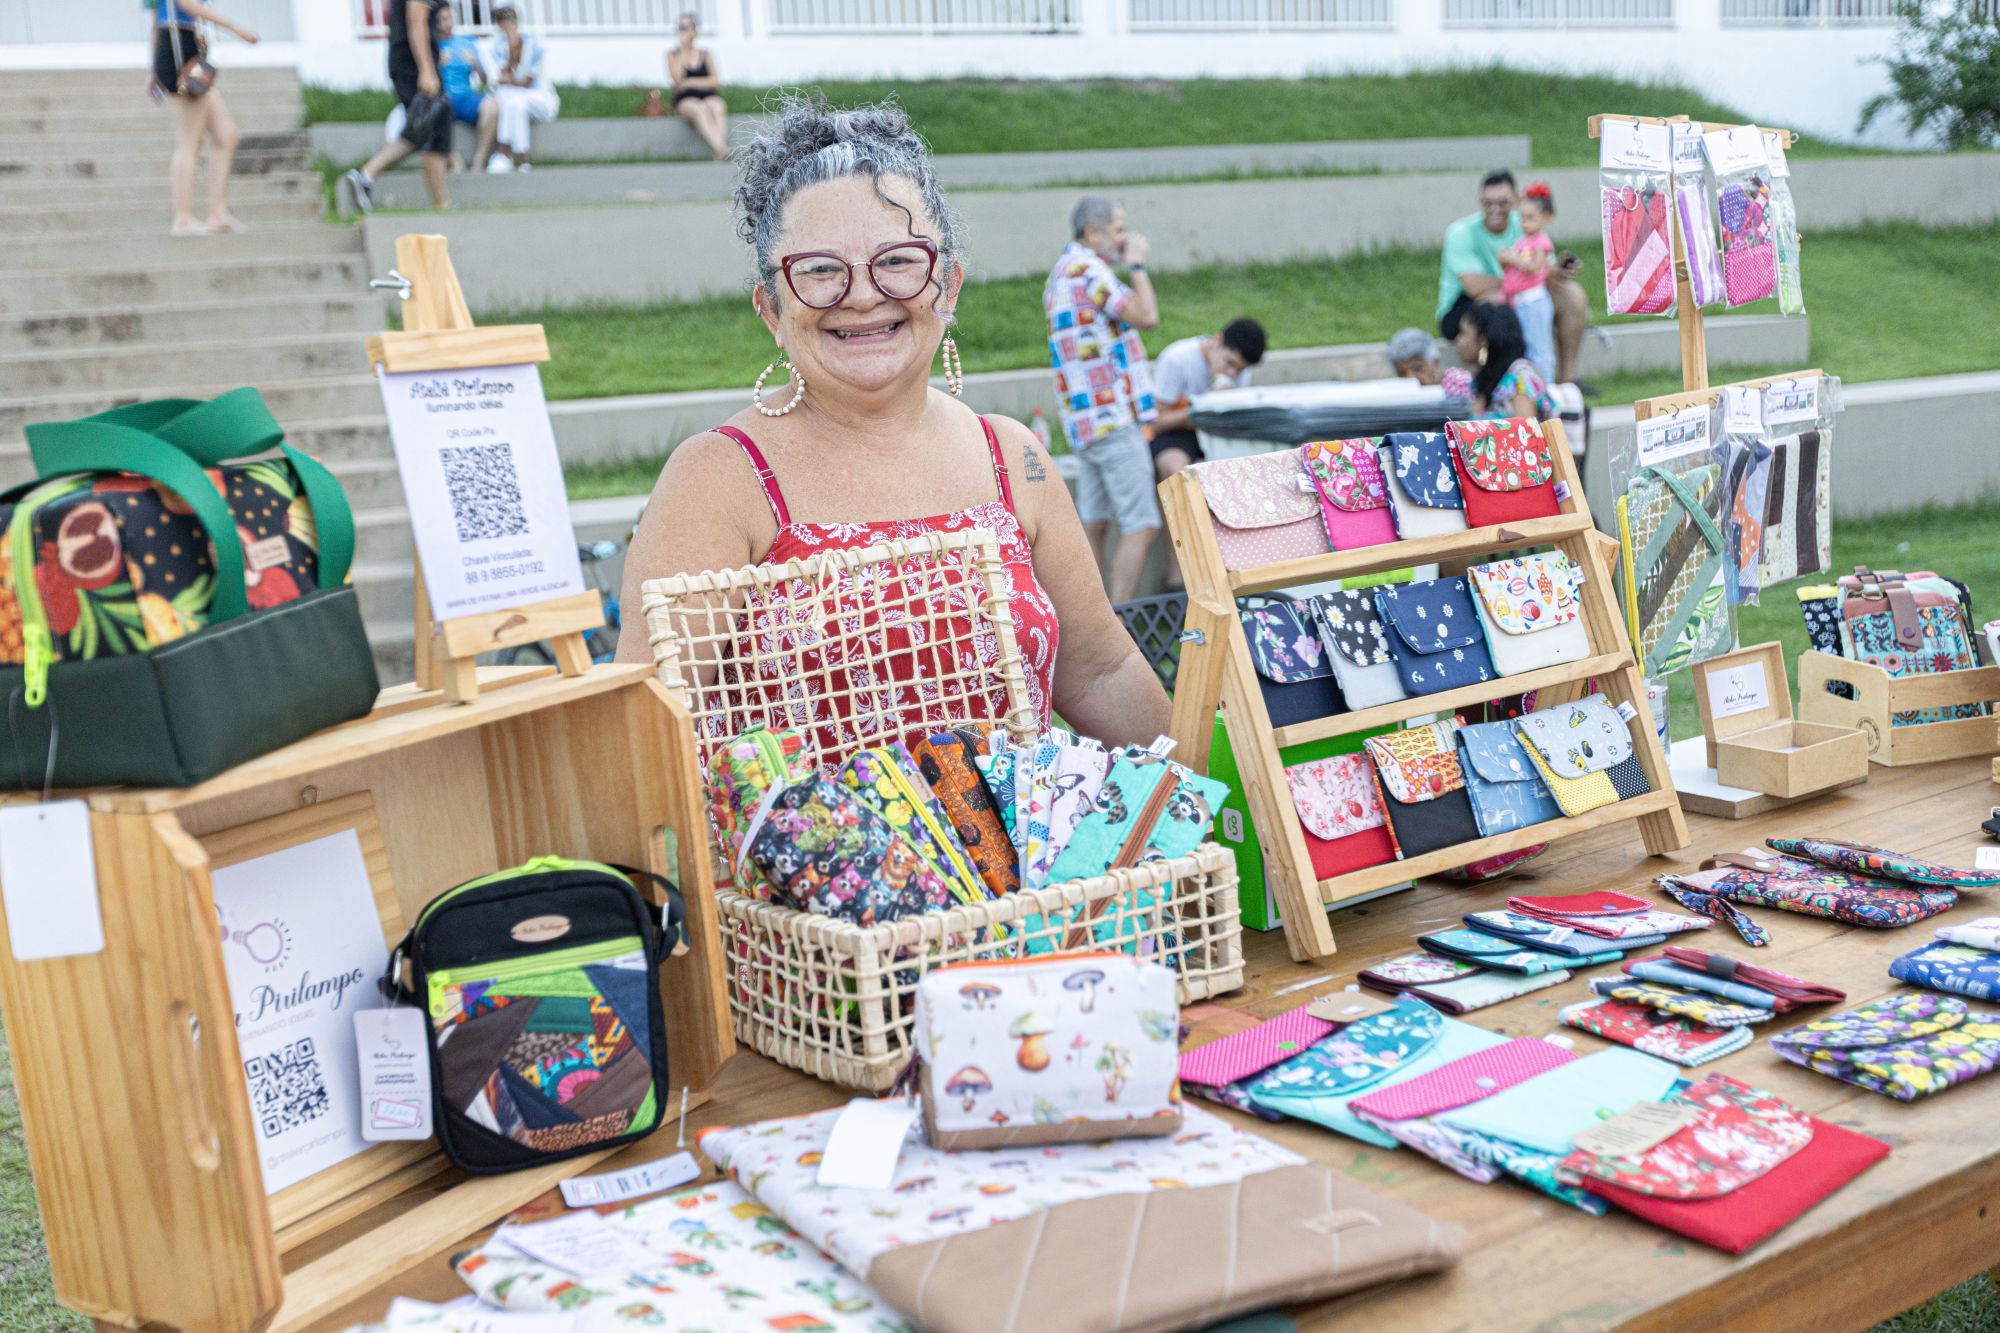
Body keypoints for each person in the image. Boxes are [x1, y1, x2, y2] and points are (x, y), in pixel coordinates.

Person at [615, 98, 1171, 754]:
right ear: (770, 308)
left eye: (898, 260)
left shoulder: (1010, 456)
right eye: (819, 270)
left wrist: (1231, 798)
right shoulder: (720, 476)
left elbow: (1102, 672)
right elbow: (643, 734)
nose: (861, 293)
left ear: (950, 283)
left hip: (1026, 855)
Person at [1045, 196, 1162, 604]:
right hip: (1113, 420)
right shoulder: (1091, 270)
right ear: (1092, 233)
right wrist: (1138, 265)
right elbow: (1146, 315)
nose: (1124, 237)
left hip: (1084, 424)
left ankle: (1092, 622)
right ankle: (1121, 628)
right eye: (1117, 228)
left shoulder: (1062, 272)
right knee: (1142, 524)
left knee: (1094, 522)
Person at [1436, 170, 1588, 384]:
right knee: (1495, 301)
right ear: (1480, 201)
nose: (1495, 209)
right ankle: (1499, 384)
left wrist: (1555, 271)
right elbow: (1474, 286)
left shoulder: (1526, 222)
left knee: (1572, 294)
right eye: (1488, 203)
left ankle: (1569, 382)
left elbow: (1544, 270)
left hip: (1517, 295)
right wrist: (1524, 276)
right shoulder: (1460, 232)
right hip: (1462, 307)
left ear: (1516, 200)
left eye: (1503, 202)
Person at [150, 0, 258, 236]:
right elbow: (186, 4)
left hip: (183, 48)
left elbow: (155, 18)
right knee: (189, 140)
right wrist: (234, 27)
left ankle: (217, 213)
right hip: (179, 51)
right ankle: (183, 218)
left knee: (226, 135)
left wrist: (153, 71)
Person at [344, 0, 451, 213]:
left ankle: (365, 176)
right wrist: (427, 69)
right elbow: (416, 20)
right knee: (432, 127)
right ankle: (441, 205)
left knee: (424, 129)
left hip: (407, 60)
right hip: (412, 63)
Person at [1147, 318, 1264, 482]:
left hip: (1217, 430)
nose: (1232, 373)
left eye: (1239, 369)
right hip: (1176, 432)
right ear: (1218, 340)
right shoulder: (1177, 359)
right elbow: (1155, 423)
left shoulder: (1240, 372)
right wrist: (1203, 407)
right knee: (1176, 471)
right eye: (1229, 363)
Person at [481, 5, 559, 171]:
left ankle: (503, 152)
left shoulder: (535, 45)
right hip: (517, 100)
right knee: (514, 101)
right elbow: (505, 76)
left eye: (510, 21)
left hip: (540, 97)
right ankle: (522, 158)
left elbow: (525, 83)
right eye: (503, 22)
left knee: (511, 96)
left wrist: (509, 75)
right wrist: (511, 49)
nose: (508, 26)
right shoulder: (499, 47)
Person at [1454, 303, 1557, 421]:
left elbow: (1527, 433)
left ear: (1483, 340)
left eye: (1463, 333)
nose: (1458, 340)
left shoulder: (1519, 379)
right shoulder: (1484, 379)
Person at [1500, 181, 1558, 382]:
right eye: (1522, 218)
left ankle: (1547, 387)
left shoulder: (1541, 243)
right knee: (1526, 348)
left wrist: (1512, 258)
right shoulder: (1521, 243)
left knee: (1540, 349)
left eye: (1531, 218)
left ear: (1546, 218)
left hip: (1534, 302)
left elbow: (1535, 268)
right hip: (1519, 302)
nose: (1525, 223)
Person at [665, 11, 730, 161]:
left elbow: (715, 81)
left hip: (708, 95)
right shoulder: (672, 54)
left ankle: (720, 151)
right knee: (698, 108)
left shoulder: (705, 54)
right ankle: (722, 149)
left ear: (695, 31)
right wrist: (683, 50)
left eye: (685, 27)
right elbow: (677, 80)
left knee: (717, 106)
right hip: (685, 100)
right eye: (680, 28)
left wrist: (690, 82)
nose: (682, 31)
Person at [1386, 326, 1472, 400]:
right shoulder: (1400, 396)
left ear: (1435, 362)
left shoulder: (1459, 385)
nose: (1410, 378)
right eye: (1402, 374)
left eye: (1418, 369)